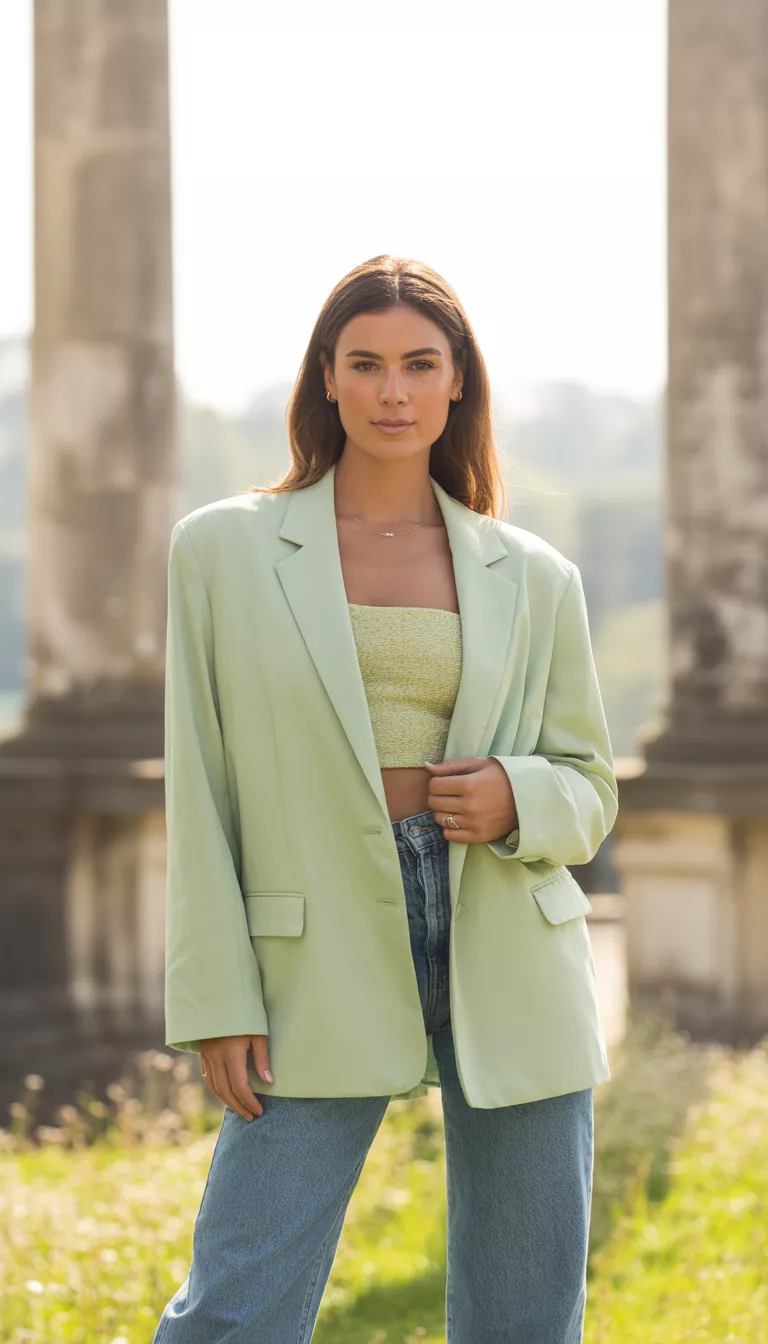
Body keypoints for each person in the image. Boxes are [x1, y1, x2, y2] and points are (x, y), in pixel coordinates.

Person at [153, 254, 618, 1343]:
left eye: (421, 364)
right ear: (325, 379)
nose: (394, 392)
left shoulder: (533, 573)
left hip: (510, 936)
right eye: (365, 364)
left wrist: (515, 795)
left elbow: (590, 788)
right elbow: (202, 786)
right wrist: (217, 997)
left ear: (460, 384)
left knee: (523, 1317)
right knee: (236, 1308)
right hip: (309, 947)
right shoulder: (221, 551)